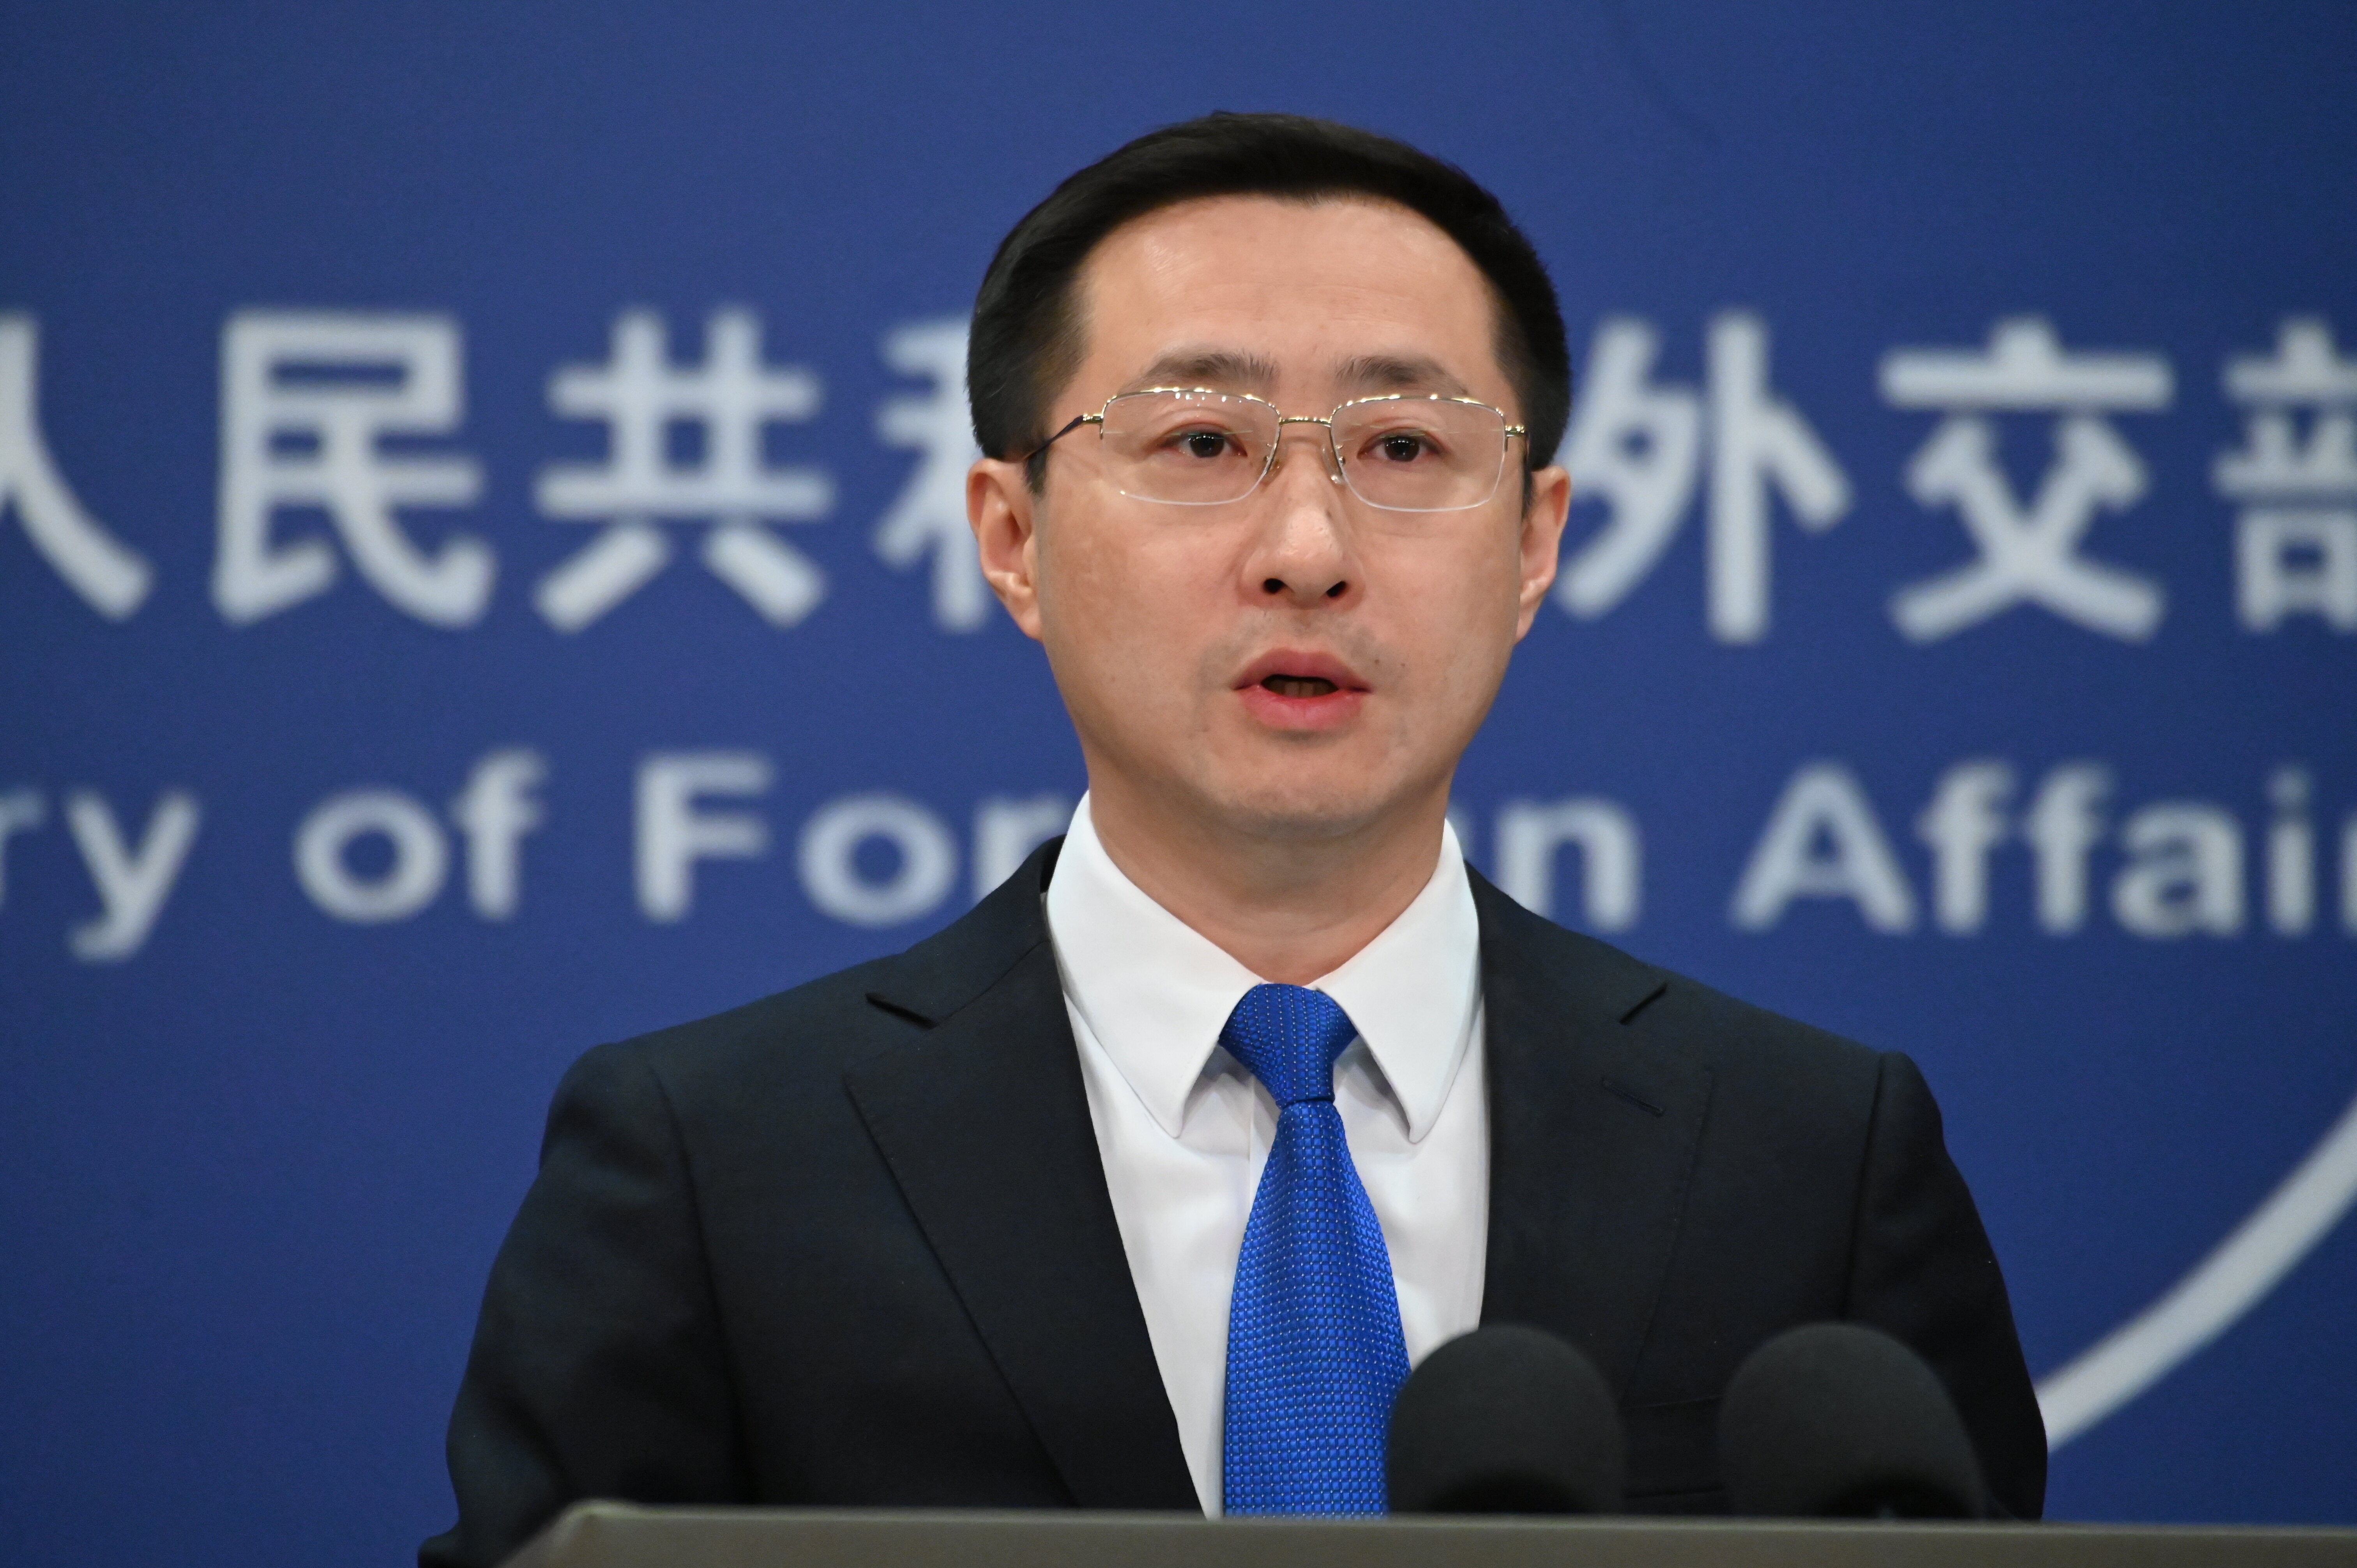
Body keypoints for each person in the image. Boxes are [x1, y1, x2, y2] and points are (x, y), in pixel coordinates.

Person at [422, 112, 2044, 1567]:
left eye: (1404, 448)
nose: (1308, 548)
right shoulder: (714, 1166)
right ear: (1013, 537)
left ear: (1535, 543)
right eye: (1202, 443)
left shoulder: (1810, 1160)